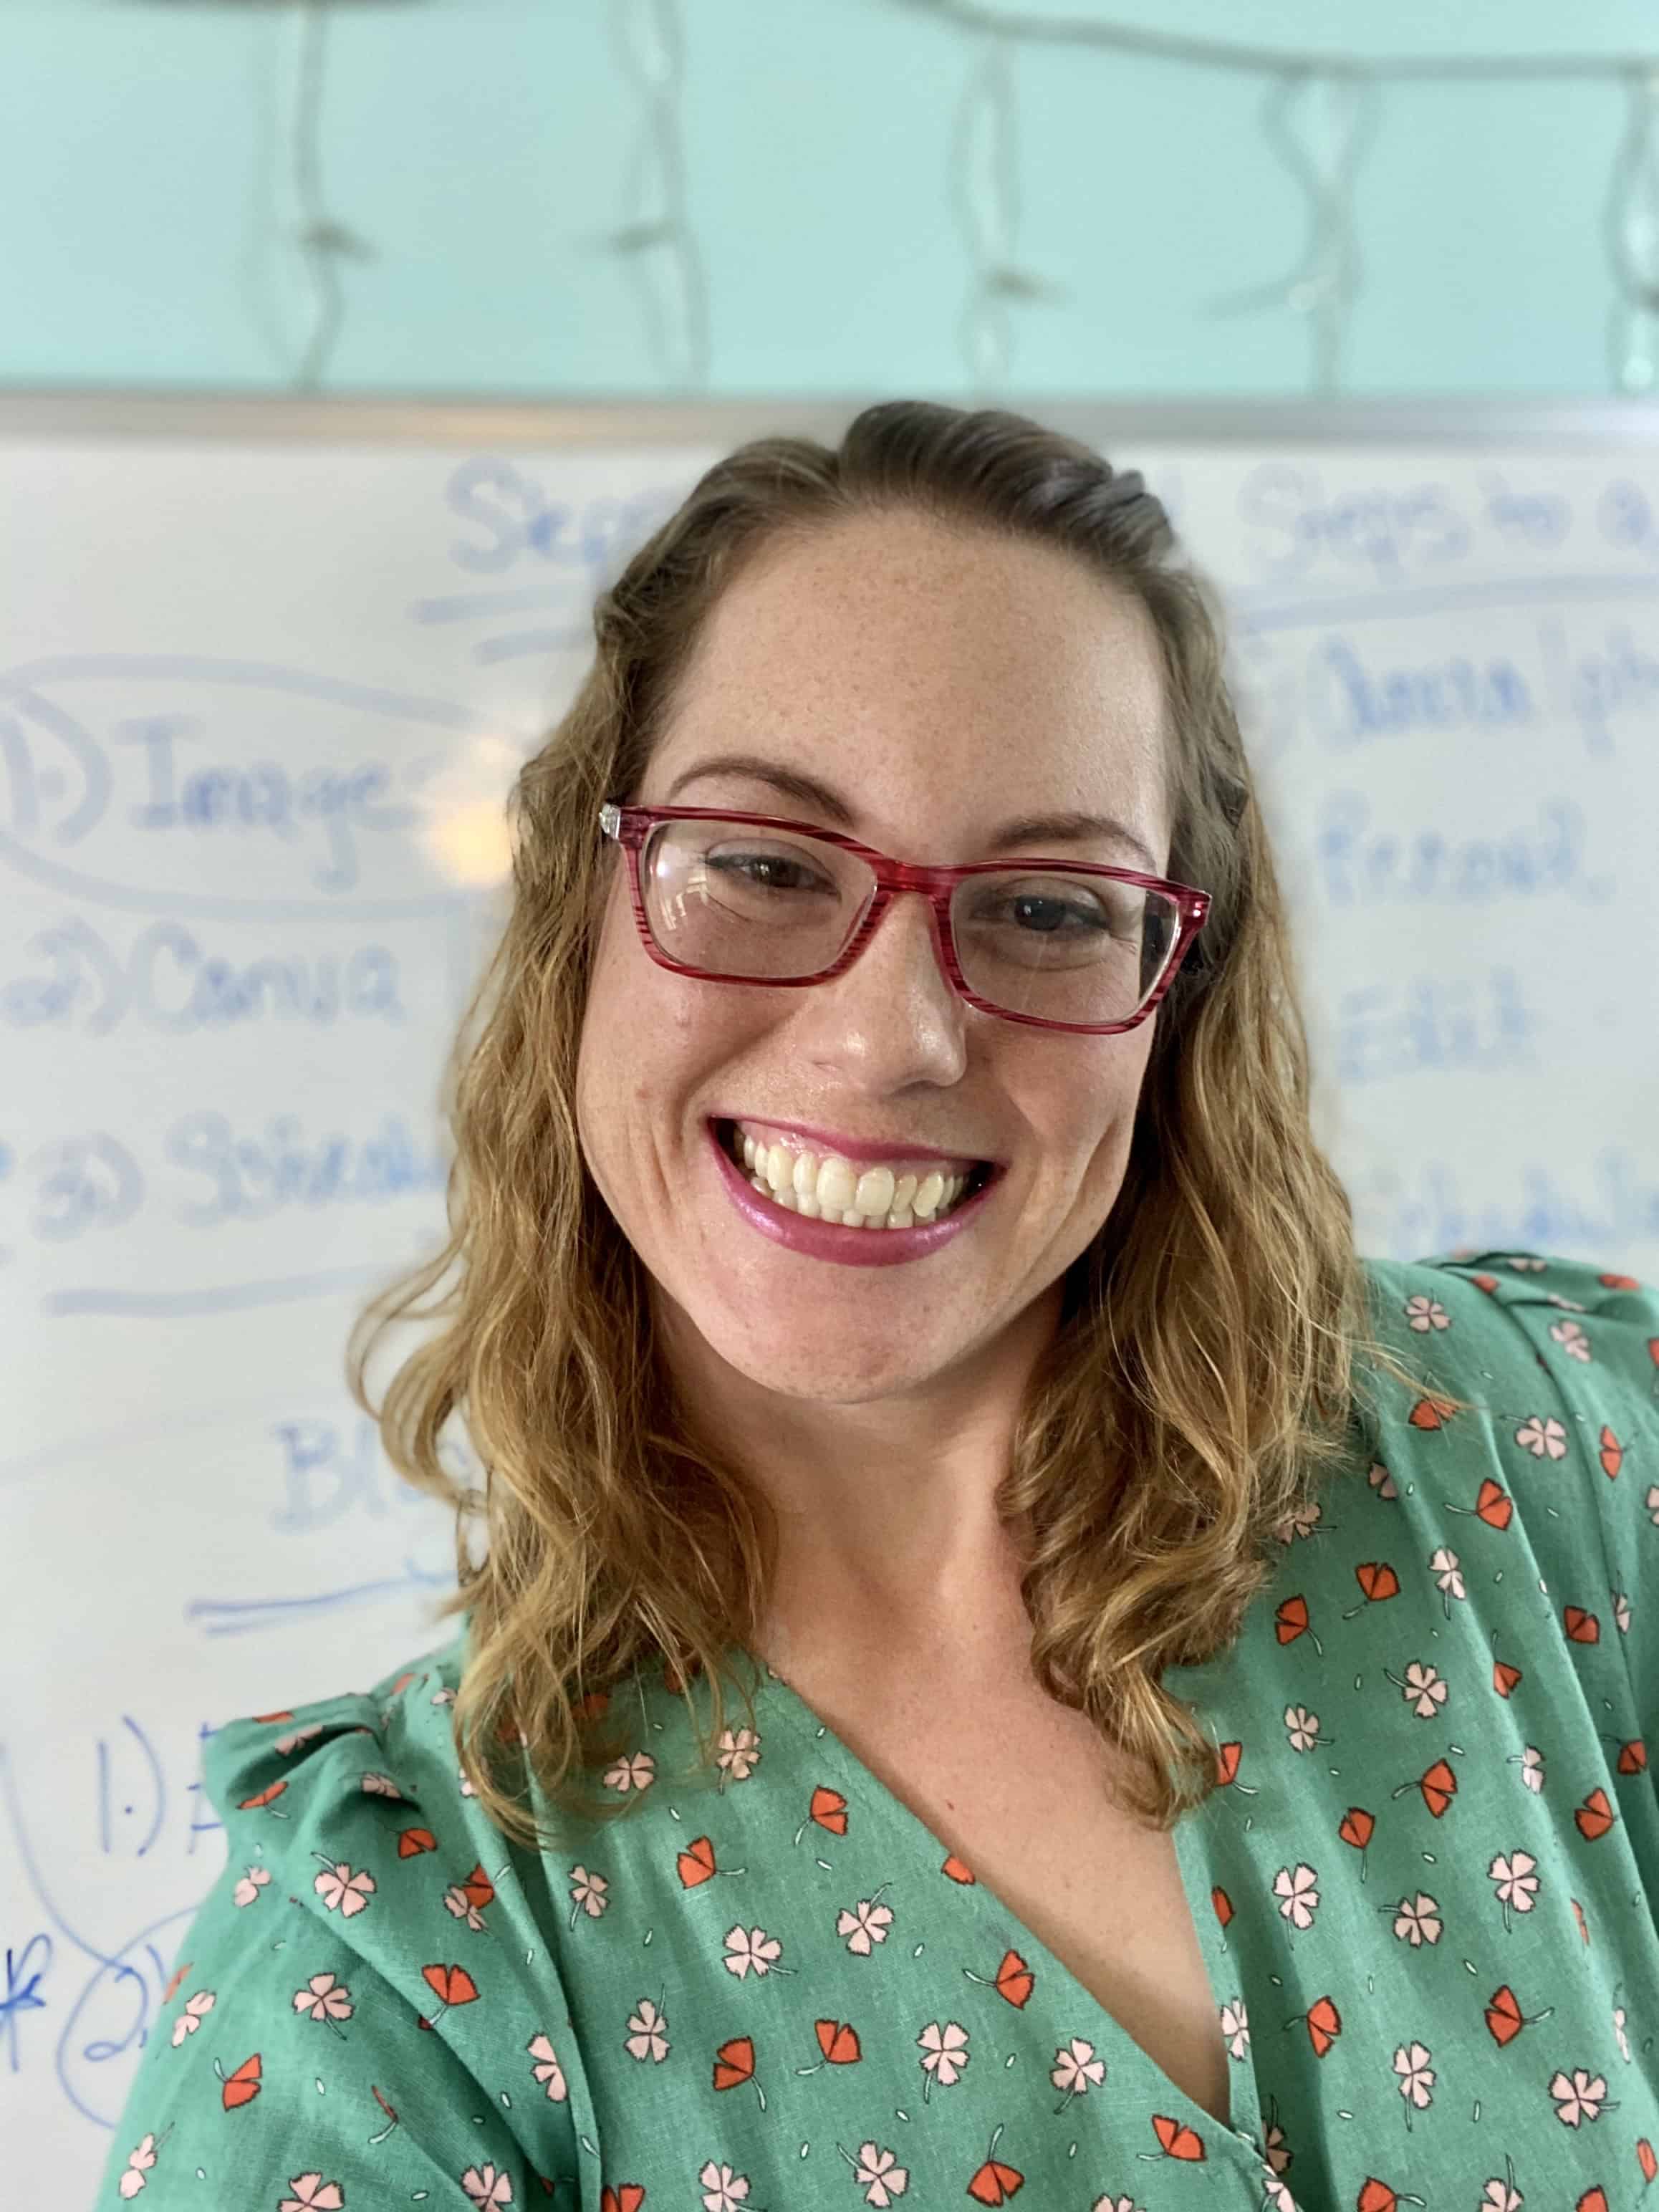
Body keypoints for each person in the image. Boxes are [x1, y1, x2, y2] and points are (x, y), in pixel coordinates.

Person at [97, 402, 1657, 2212]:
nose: (892, 1035)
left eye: (1050, 906)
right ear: (583, 913)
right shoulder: (395, 1965)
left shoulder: (1539, 1465)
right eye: (764, 866)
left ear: (1175, 995)